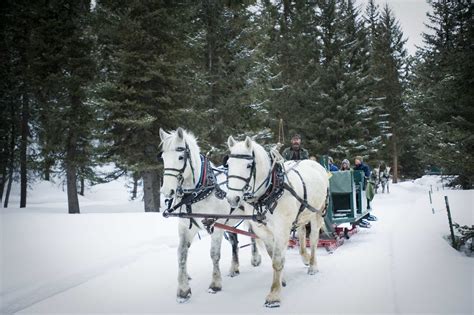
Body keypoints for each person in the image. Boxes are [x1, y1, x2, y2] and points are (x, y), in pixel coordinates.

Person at [354, 156, 377, 225]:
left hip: (363, 185)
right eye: (355, 160)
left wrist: (364, 177)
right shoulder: (354, 168)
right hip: (356, 185)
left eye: (357, 160)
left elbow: (367, 175)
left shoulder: (365, 167)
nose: (356, 161)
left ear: (360, 161)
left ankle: (365, 213)